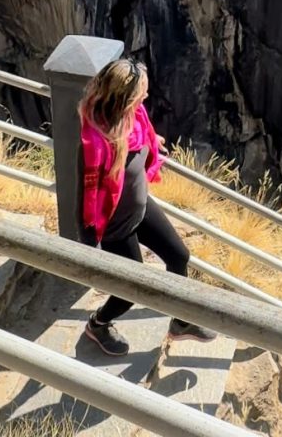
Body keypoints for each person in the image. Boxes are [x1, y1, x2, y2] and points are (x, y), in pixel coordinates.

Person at [76, 56, 216, 355]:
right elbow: (86, 196)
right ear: (124, 99)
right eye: (142, 92)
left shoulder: (134, 115)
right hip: (116, 227)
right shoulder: (96, 144)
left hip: (140, 210)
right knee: (129, 292)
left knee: (179, 256)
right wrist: (89, 241)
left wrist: (153, 139)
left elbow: (142, 132)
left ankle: (180, 321)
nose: (146, 97)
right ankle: (97, 324)